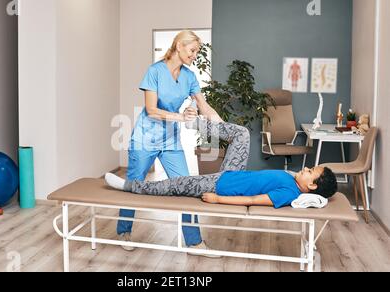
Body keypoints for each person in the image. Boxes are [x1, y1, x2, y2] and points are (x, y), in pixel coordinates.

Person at [118, 30, 223, 255]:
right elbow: (152, 110)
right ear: (178, 46)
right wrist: (181, 117)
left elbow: (203, 106)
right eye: (192, 50)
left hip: (170, 141)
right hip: (145, 138)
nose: (195, 55)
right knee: (134, 185)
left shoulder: (189, 76)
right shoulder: (154, 71)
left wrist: (221, 124)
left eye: (197, 52)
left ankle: (194, 242)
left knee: (186, 187)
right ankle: (123, 231)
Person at [106, 119, 338, 209]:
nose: (306, 168)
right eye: (310, 167)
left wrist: (218, 199)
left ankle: (128, 185)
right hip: (234, 172)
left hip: (219, 185)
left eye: (310, 171)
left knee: (174, 184)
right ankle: (194, 123)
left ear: (313, 186)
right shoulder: (293, 180)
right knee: (243, 134)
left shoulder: (288, 192)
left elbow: (252, 200)